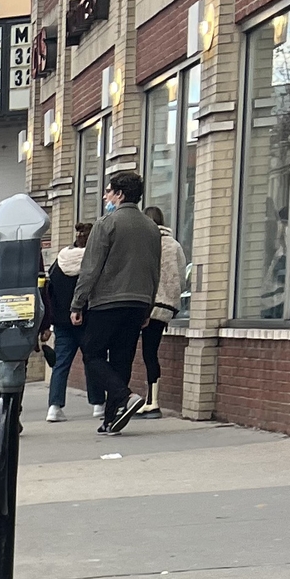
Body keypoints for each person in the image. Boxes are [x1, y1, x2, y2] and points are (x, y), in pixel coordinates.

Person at [72, 169, 162, 433]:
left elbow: (91, 267)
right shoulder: (151, 227)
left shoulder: (106, 224)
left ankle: (123, 397)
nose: (105, 196)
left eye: (109, 191)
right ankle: (112, 418)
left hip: (108, 300)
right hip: (139, 301)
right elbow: (154, 268)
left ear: (120, 194)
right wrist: (149, 304)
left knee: (92, 353)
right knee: (122, 358)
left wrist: (78, 303)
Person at [138, 205, 186, 418]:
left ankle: (150, 402)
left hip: (146, 304)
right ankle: (152, 399)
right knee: (152, 351)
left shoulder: (144, 243)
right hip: (166, 305)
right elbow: (182, 277)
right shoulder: (174, 245)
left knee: (144, 353)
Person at [42, 223, 91, 422]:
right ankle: (98, 404)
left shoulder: (59, 262)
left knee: (61, 364)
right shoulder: (93, 262)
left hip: (62, 321)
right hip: (88, 320)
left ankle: (54, 406)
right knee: (93, 360)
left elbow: (49, 291)